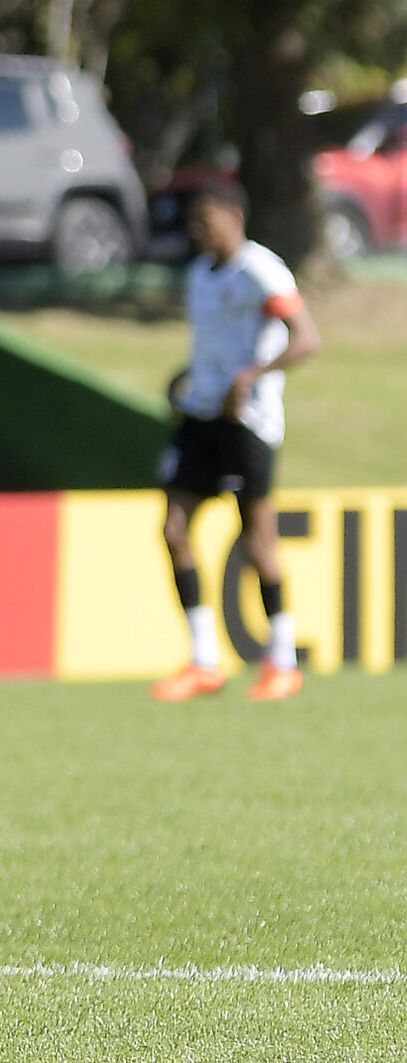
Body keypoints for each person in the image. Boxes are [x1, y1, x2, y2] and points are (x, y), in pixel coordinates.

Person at [151, 181, 320, 703]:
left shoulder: (261, 270)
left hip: (248, 421)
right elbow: (213, 346)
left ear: (233, 215)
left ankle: (283, 661)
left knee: (257, 539)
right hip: (202, 416)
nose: (196, 229)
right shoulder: (199, 275)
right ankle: (204, 660)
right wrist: (186, 379)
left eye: (204, 219)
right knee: (174, 527)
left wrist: (251, 377)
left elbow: (306, 339)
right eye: (192, 221)